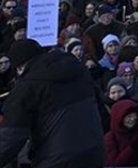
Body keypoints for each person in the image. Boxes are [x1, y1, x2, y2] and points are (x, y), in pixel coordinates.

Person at [0, 39, 106, 167]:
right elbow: (101, 109)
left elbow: (11, 137)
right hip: (94, 152)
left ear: (19, 67)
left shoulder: (26, 87)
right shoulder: (79, 71)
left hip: (56, 159)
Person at [104, 98, 138, 166]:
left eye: (134, 116)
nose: (132, 119)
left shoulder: (137, 131)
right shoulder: (110, 138)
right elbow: (113, 164)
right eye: (129, 117)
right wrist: (131, 148)